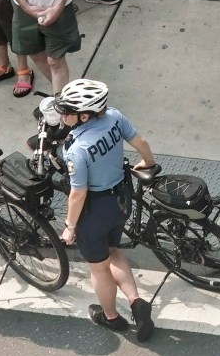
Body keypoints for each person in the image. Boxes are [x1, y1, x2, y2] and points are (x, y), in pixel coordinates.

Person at [52, 78, 160, 341]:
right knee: (113, 251)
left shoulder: (77, 150)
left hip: (94, 212)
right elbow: (140, 141)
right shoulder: (114, 117)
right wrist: (148, 163)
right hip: (121, 200)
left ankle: (111, 317)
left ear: (84, 115)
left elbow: (78, 194)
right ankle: (136, 302)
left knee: (99, 268)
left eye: (66, 111)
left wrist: (69, 228)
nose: (62, 115)